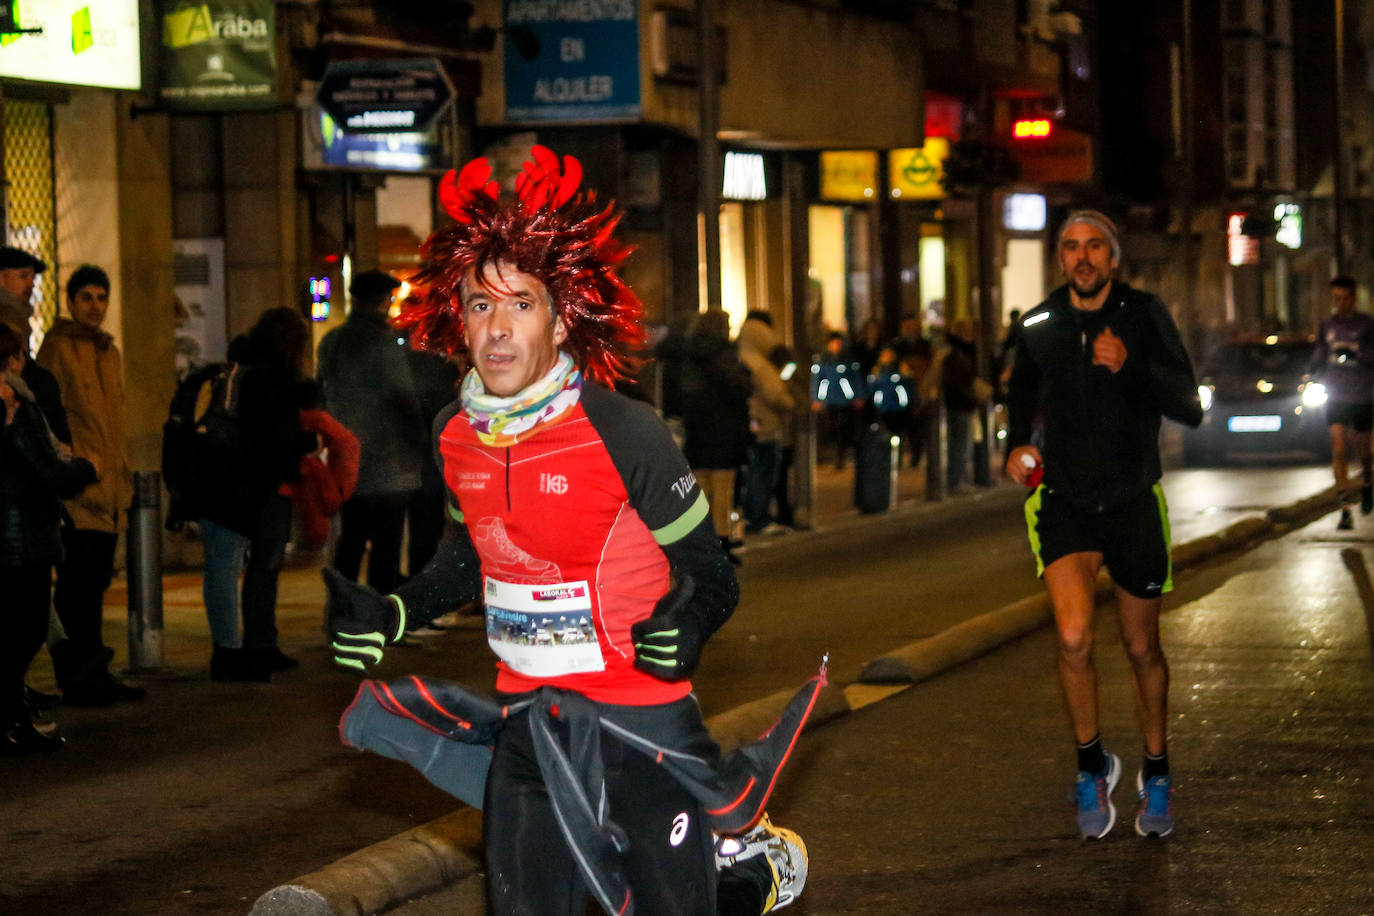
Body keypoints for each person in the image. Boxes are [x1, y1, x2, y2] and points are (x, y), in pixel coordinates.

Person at [325, 146, 812, 915]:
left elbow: (712, 573)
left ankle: (746, 879)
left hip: (643, 725)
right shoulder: (456, 432)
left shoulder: (625, 432)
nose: (497, 331)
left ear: (561, 319)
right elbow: (467, 556)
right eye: (480, 305)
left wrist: (686, 625)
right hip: (530, 725)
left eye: (522, 304)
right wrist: (394, 612)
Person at [1004, 210, 1201, 840]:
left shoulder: (1144, 315)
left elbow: (1189, 407)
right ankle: (1092, 765)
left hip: (1132, 501)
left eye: (1094, 247)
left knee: (1142, 647)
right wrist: (1015, 445)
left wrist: (1131, 369)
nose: (1082, 257)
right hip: (1063, 500)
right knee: (1071, 639)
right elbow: (1019, 400)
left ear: (1113, 258)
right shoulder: (1038, 324)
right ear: (1060, 259)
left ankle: (1156, 769)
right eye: (1071, 247)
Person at [36, 265, 143, 706]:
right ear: (71, 301)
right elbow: (50, 416)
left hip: (109, 487)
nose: (95, 307)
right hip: (79, 488)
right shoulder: (58, 349)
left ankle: (92, 670)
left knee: (95, 583)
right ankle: (78, 674)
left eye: (102, 298)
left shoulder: (108, 352)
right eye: (87, 298)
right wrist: (73, 466)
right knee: (78, 584)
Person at [196, 308, 319, 681]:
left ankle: (253, 645)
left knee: (250, 566)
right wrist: (305, 442)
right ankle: (239, 649)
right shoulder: (266, 379)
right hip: (247, 486)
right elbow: (271, 437)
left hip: (244, 483)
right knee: (244, 566)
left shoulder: (245, 372)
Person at [0, 322, 98, 753]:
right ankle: (10, 722)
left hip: (12, 535)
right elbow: (48, 472)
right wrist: (87, 468)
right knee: (25, 629)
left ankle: (15, 718)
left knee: (16, 630)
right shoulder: (18, 406)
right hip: (22, 537)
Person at [317, 269, 428, 595]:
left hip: (347, 457)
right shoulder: (383, 343)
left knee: (350, 542)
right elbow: (403, 396)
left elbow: (321, 391)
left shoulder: (332, 341)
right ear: (384, 301)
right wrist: (419, 441)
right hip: (388, 459)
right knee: (386, 546)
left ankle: (342, 613)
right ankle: (378, 619)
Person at [681, 309, 753, 564]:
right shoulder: (725, 355)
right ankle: (721, 543)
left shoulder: (689, 356)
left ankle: (702, 544)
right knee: (723, 491)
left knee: (700, 492)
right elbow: (739, 387)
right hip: (724, 431)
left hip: (698, 432)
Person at [1309, 275, 1374, 530]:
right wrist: (1315, 364)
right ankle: (1344, 507)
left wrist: (1357, 353)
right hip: (1336, 395)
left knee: (1363, 450)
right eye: (1335, 298)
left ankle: (1368, 481)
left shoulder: (1367, 325)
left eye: (1344, 298)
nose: (1340, 303)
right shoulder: (1327, 325)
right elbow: (1320, 351)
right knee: (1338, 448)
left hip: (1362, 395)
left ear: (1353, 298)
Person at [736, 311, 794, 536]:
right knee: (764, 473)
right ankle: (759, 517)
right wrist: (790, 401)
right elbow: (776, 395)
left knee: (750, 474)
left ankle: (750, 515)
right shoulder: (761, 365)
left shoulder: (739, 357)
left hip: (747, 424)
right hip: (765, 425)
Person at [811, 331, 863, 468]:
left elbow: (856, 379)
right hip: (828, 400)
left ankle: (840, 455)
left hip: (845, 400)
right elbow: (817, 381)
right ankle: (831, 454)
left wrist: (858, 396)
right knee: (830, 427)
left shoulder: (848, 360)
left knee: (843, 428)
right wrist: (816, 399)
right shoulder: (822, 360)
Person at [942, 318, 980, 491]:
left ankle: (960, 478)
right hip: (959, 403)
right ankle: (956, 480)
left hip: (961, 402)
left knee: (963, 442)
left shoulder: (963, 351)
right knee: (959, 443)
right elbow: (958, 380)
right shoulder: (956, 353)